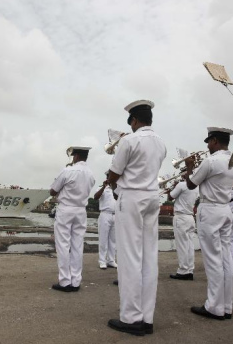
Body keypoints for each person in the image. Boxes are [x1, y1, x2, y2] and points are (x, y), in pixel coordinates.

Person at [106, 100, 166, 336]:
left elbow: (114, 173)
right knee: (149, 258)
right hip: (152, 197)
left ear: (134, 120)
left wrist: (111, 180)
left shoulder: (129, 141)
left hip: (131, 197)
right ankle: (146, 317)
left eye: (130, 122)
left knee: (130, 257)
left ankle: (131, 318)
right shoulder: (161, 143)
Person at [185, 127, 233, 320]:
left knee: (213, 260)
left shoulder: (211, 161)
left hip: (210, 210)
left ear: (215, 141)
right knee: (226, 260)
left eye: (208, 142)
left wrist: (190, 166)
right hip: (225, 209)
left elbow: (191, 184)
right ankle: (227, 306)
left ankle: (214, 307)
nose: (207, 146)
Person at [49, 146, 95, 293]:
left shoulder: (68, 171)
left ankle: (64, 281)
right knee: (77, 245)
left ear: (75, 156)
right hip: (81, 210)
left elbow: (53, 190)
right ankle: (75, 281)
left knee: (63, 245)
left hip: (66, 209)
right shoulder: (91, 174)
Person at [166, 179, 199, 280]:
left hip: (181, 217)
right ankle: (189, 270)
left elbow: (170, 198)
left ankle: (183, 270)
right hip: (190, 217)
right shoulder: (196, 186)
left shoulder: (181, 184)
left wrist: (170, 190)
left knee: (182, 245)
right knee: (189, 245)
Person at [94, 172, 117, 270]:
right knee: (103, 239)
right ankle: (102, 261)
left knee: (113, 240)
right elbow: (95, 197)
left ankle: (111, 260)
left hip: (115, 215)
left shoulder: (117, 189)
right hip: (105, 214)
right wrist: (104, 187)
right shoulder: (102, 188)